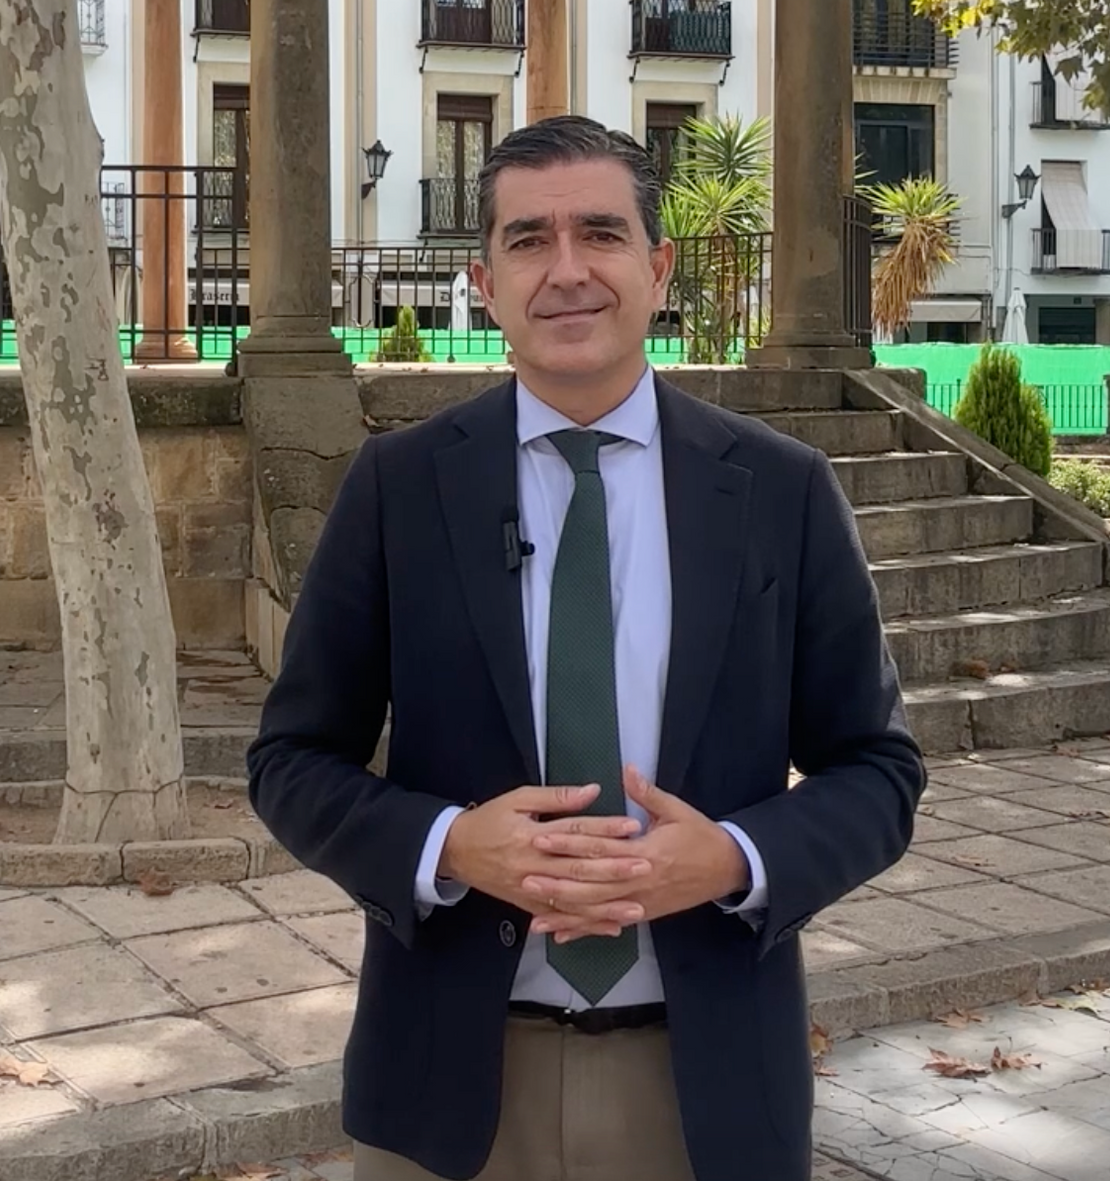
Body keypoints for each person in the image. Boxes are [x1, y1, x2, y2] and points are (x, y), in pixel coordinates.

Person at [246, 115, 925, 1181]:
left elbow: (879, 771)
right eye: (529, 240)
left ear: (659, 268)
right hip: (445, 1087)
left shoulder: (782, 489)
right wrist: (450, 846)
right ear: (484, 283)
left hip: (706, 1086)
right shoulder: (398, 488)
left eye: (601, 233)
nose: (567, 270)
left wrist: (735, 858)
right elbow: (290, 759)